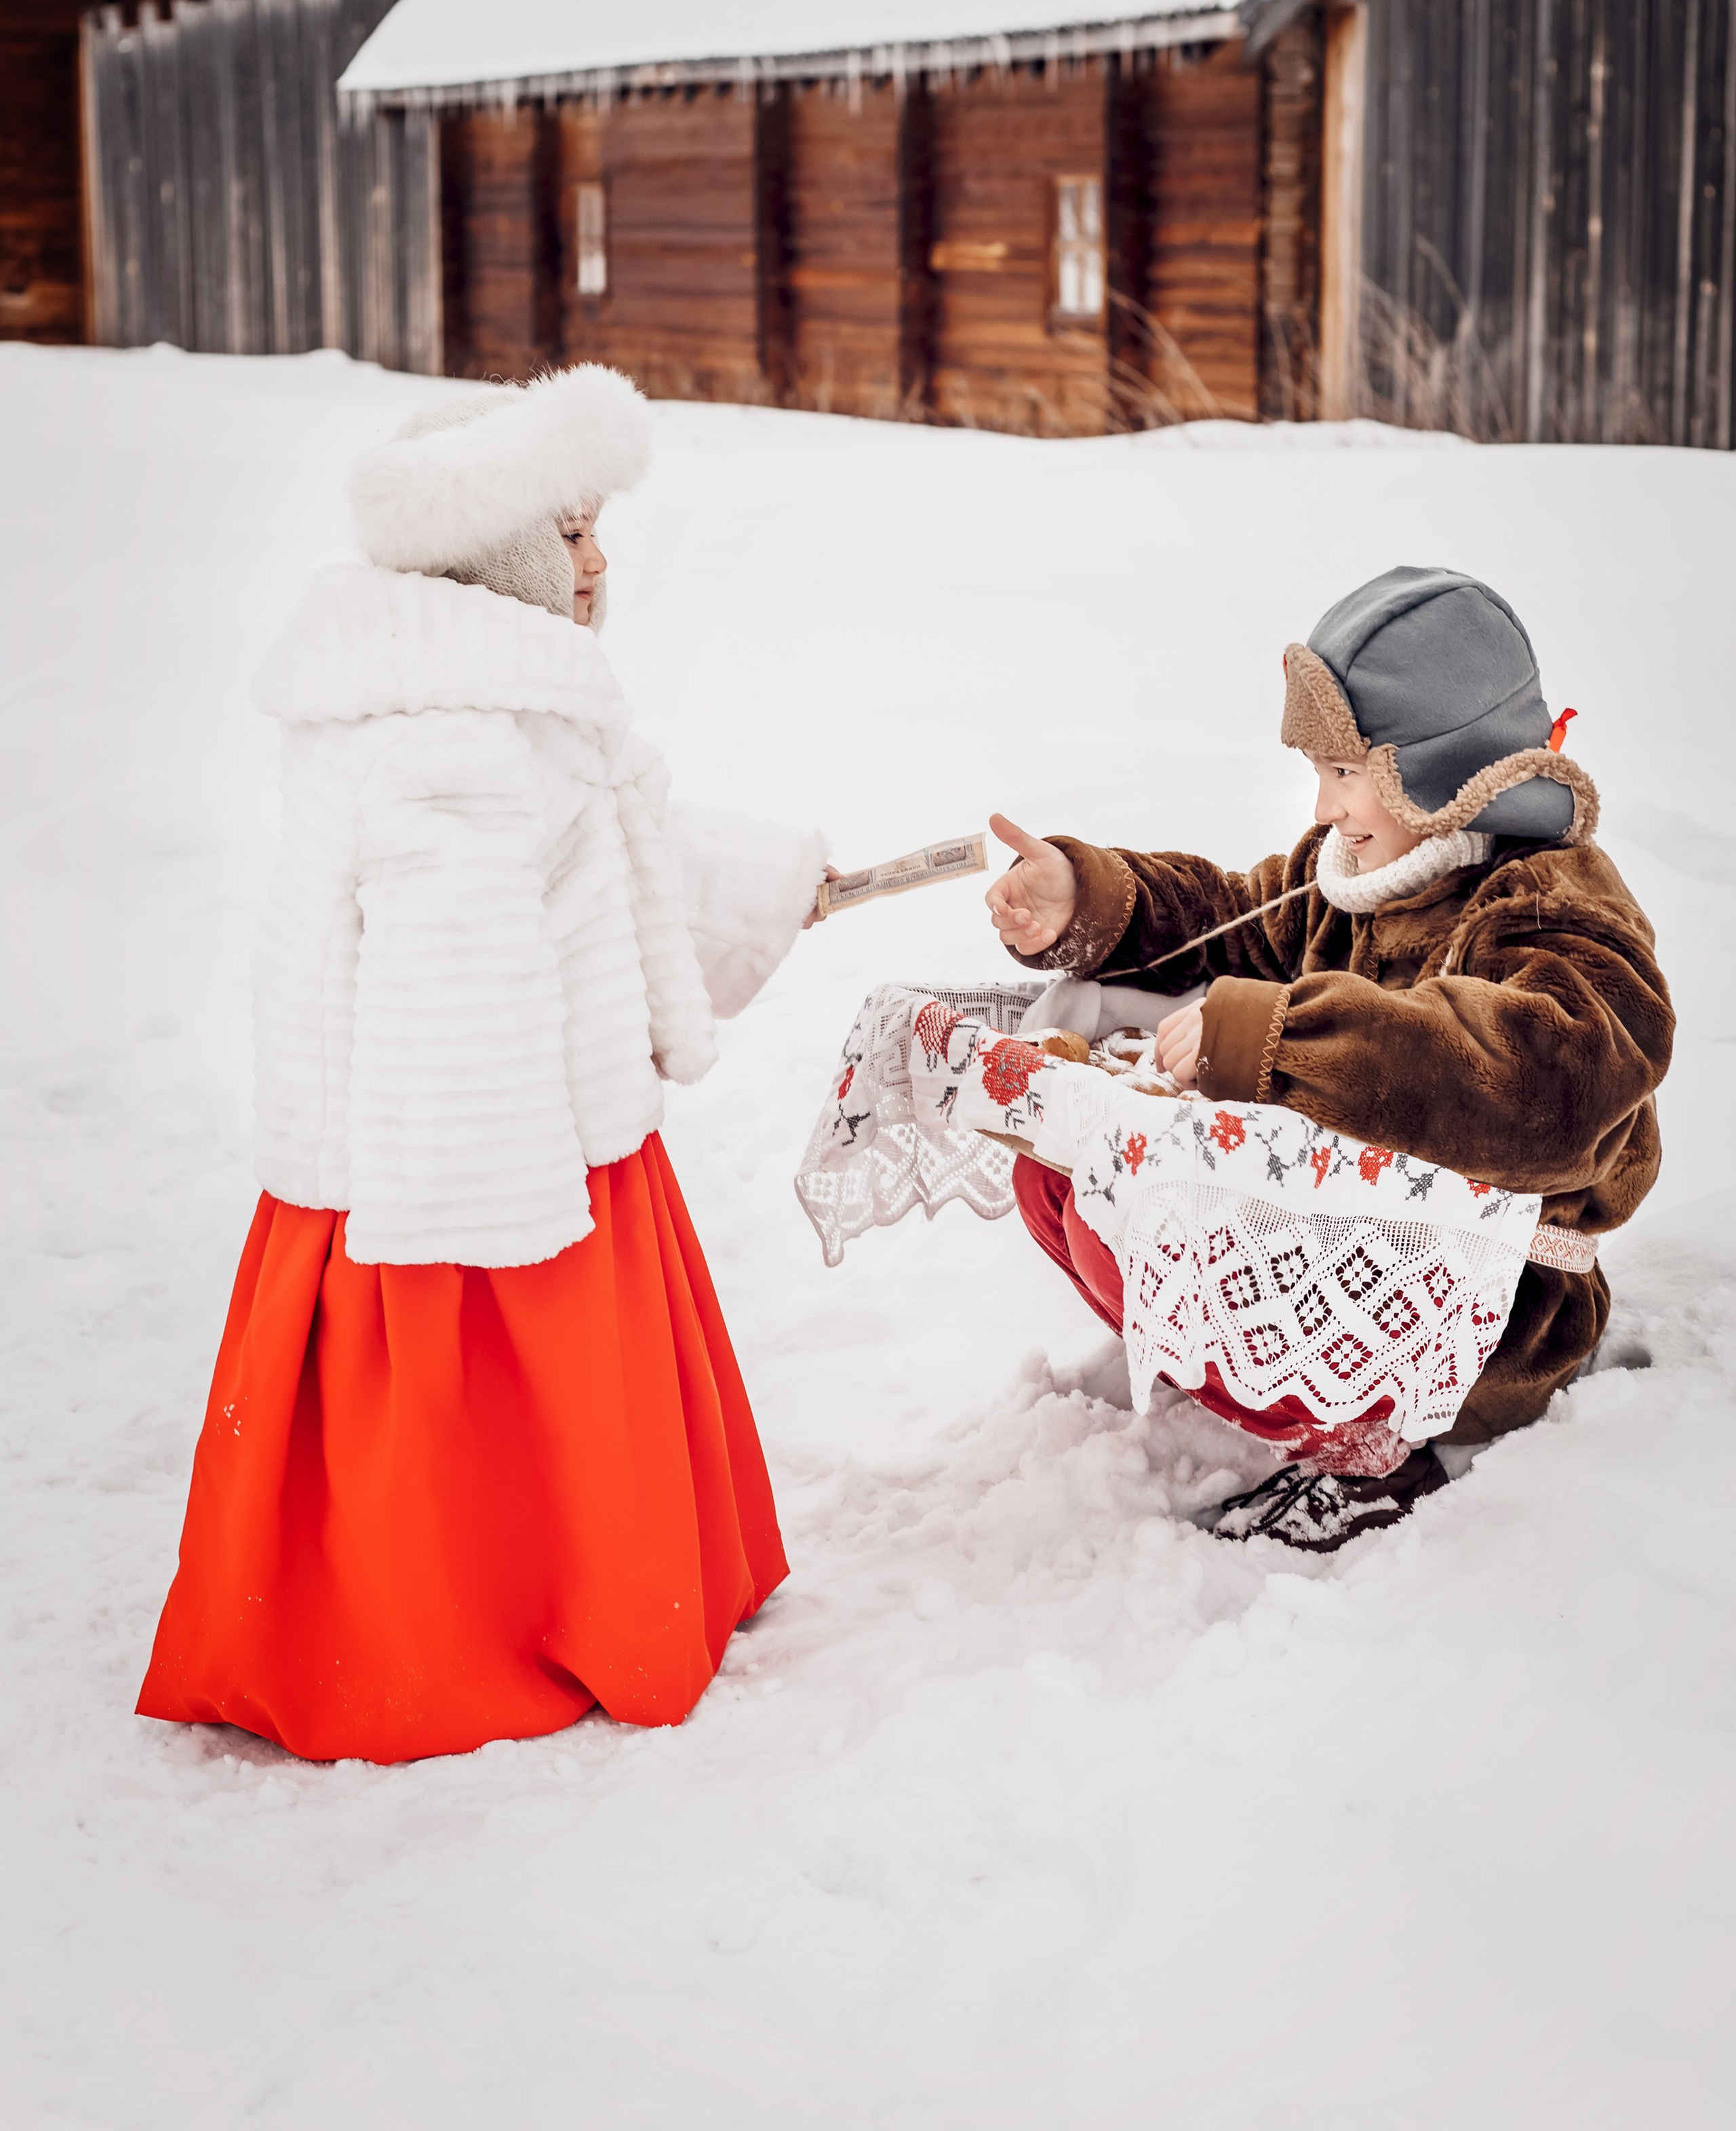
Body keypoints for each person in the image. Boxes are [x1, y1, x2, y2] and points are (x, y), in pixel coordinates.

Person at [138, 368, 829, 1762]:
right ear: (492, 547)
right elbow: (452, 1005)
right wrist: (501, 1243)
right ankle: (473, 1626)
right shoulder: (446, 747)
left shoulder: (499, 699)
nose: (598, 561)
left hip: (536, 1153)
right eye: (569, 532)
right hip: (467, 1193)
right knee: (490, 1461)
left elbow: (615, 853)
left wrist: (781, 887)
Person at [985, 565, 1672, 1549]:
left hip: (1487, 1309)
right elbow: (1227, 921)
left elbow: (1545, 1085)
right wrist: (1090, 900)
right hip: (1354, 1244)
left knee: (1136, 1218)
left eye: (1348, 773)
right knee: (1070, 1179)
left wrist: (1281, 1037)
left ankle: (1382, 1437)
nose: (1324, 803)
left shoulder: (1554, 905)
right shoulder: (1364, 872)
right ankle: (1264, 1381)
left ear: (1445, 765)